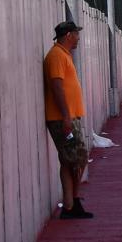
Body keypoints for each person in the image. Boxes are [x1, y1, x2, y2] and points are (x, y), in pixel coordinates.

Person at [44, 21, 92, 219]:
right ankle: (73, 201)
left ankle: (70, 205)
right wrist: (65, 116)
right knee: (78, 158)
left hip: (68, 117)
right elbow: (57, 86)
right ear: (69, 35)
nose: (79, 38)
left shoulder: (63, 55)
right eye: (76, 34)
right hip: (62, 119)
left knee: (68, 160)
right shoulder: (56, 56)